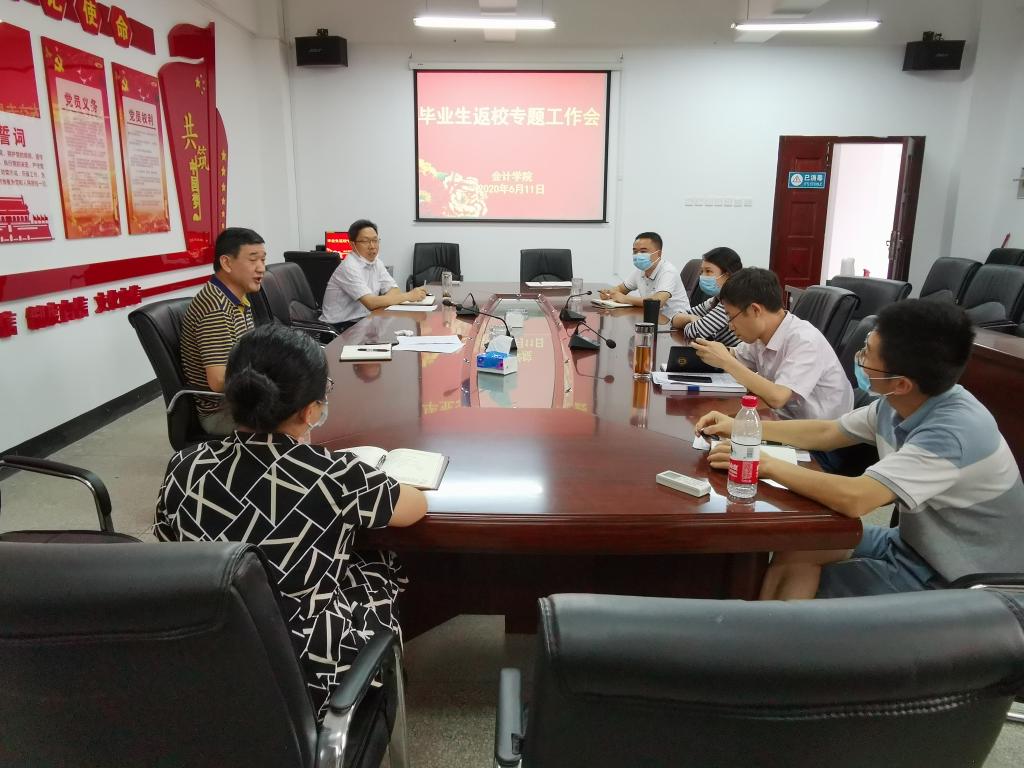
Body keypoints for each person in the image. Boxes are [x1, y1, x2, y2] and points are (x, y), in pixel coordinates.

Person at [155, 323, 428, 718]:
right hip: (306, 670)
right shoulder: (335, 474)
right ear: (310, 410)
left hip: (206, 652)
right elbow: (414, 506)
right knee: (382, 565)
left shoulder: (184, 466)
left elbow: (167, 540)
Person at [695, 299, 1024, 600]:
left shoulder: (954, 431)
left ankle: (784, 635)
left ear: (901, 383)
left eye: (867, 354)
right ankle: (770, 633)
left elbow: (855, 498)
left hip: (959, 581)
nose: (859, 359)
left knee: (819, 589)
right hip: (910, 546)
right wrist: (738, 426)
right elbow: (827, 431)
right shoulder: (899, 402)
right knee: (802, 542)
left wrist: (764, 464)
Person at [692, 267, 853, 421]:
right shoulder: (762, 335)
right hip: (783, 419)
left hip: (818, 433)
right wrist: (707, 352)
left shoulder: (805, 340)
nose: (730, 326)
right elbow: (736, 355)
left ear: (755, 310)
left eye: (731, 317)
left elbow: (778, 397)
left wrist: (726, 362)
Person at [179, 226, 265, 435]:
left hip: (244, 401)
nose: (261, 268)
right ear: (226, 263)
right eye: (253, 260)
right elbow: (218, 382)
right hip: (223, 412)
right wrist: (270, 379)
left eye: (263, 260)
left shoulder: (237, 298)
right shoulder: (215, 307)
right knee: (300, 414)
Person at [319, 219, 428, 331]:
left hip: (364, 320)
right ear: (352, 244)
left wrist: (384, 300)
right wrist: (408, 296)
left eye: (375, 240)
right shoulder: (349, 267)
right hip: (339, 326)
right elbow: (371, 303)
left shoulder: (376, 262)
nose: (372, 246)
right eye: (365, 241)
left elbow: (394, 290)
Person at [599, 231, 690, 319]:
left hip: (676, 321)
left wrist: (625, 299)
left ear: (658, 254)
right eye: (635, 251)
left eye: (643, 251)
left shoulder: (668, 271)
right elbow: (621, 288)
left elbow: (657, 302)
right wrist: (609, 293)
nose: (638, 255)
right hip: (652, 317)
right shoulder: (641, 270)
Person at [670, 246, 743, 346]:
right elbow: (674, 318)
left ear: (727, 275)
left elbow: (695, 332)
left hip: (737, 355)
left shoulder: (733, 301)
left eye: (708, 271)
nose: (702, 276)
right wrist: (690, 318)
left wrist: (691, 322)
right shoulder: (715, 300)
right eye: (701, 272)